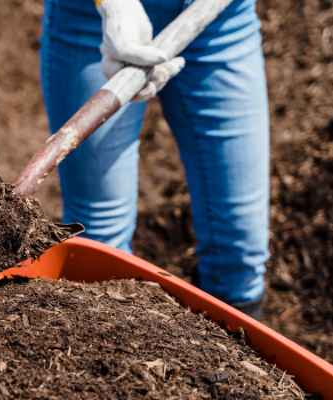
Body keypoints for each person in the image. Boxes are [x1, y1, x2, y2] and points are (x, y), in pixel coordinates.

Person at [40, 0, 268, 317]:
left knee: (240, 249)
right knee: (100, 244)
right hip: (98, 24)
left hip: (220, 20)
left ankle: (230, 363)